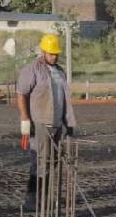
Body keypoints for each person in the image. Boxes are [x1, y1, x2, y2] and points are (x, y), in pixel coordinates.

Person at [15, 33, 76, 195]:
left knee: (53, 161)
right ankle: (34, 198)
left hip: (56, 123)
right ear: (43, 52)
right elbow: (21, 93)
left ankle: (46, 197)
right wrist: (25, 119)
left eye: (56, 53)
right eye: (51, 53)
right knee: (41, 161)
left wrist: (68, 123)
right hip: (40, 122)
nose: (54, 56)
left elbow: (64, 98)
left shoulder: (60, 72)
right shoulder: (32, 69)